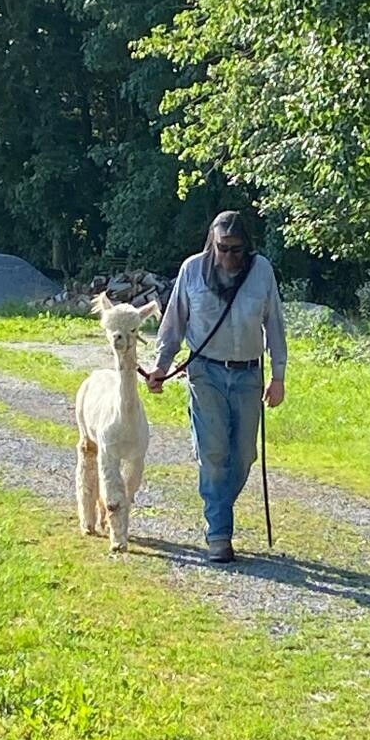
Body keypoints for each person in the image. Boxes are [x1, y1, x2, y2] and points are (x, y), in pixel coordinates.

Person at [148, 211, 287, 563]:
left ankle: (219, 508)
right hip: (205, 373)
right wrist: (161, 367)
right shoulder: (192, 270)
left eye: (236, 249)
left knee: (243, 456)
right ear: (212, 243)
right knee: (213, 453)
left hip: (248, 374)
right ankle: (219, 534)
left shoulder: (261, 271)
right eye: (222, 248)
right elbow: (174, 323)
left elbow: (274, 323)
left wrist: (278, 376)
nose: (228, 256)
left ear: (247, 246)